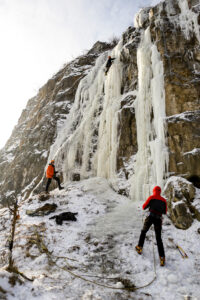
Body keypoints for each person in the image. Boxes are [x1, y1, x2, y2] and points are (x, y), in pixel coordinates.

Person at [135, 186, 167, 266]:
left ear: (154, 191)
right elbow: (165, 212)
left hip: (150, 217)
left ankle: (139, 247)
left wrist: (151, 206)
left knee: (143, 231)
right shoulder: (164, 200)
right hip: (158, 219)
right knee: (158, 238)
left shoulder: (151, 197)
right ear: (160, 192)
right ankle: (162, 257)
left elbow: (144, 207)